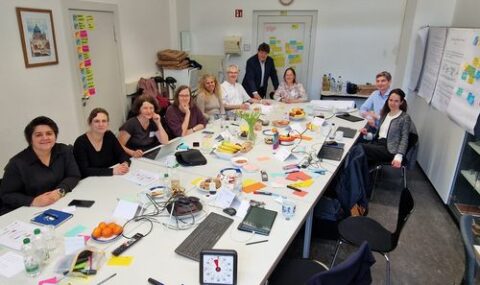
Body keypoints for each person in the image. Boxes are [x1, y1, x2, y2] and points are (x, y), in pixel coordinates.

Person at [0, 116, 81, 213]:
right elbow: (6, 195)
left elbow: (74, 175)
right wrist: (33, 201)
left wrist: (60, 191)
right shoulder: (17, 163)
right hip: (28, 211)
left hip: (60, 204)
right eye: (38, 135)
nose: (45, 138)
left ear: (55, 136)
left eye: (49, 133)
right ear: (30, 139)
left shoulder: (64, 151)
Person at [360, 88, 411, 168]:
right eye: (390, 100)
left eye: (396, 101)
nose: (392, 103)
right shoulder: (385, 114)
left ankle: (350, 178)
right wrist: (367, 134)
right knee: (357, 154)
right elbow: (379, 135)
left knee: (359, 149)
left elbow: (404, 139)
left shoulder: (404, 117)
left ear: (401, 102)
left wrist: (399, 157)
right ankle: (356, 178)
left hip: (390, 150)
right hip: (378, 144)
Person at [74, 108, 130, 178]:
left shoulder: (109, 135)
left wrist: (125, 163)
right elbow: (84, 170)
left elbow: (121, 154)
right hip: (91, 181)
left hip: (113, 177)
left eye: (104, 121)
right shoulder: (80, 142)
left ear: (108, 123)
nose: (101, 124)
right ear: (90, 123)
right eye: (96, 121)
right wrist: (112, 171)